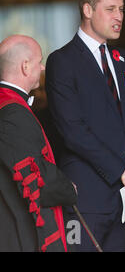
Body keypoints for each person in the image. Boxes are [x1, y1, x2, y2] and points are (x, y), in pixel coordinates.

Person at [45, 0, 125, 252]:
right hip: (88, 195)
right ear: (87, 10)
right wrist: (121, 171)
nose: (119, 16)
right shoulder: (62, 61)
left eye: (121, 9)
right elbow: (72, 131)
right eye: (111, 9)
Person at [0, 35, 77, 252]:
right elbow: (34, 176)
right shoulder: (13, 112)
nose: (42, 68)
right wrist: (68, 188)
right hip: (16, 232)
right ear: (25, 66)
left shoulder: (7, 104)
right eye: (39, 61)